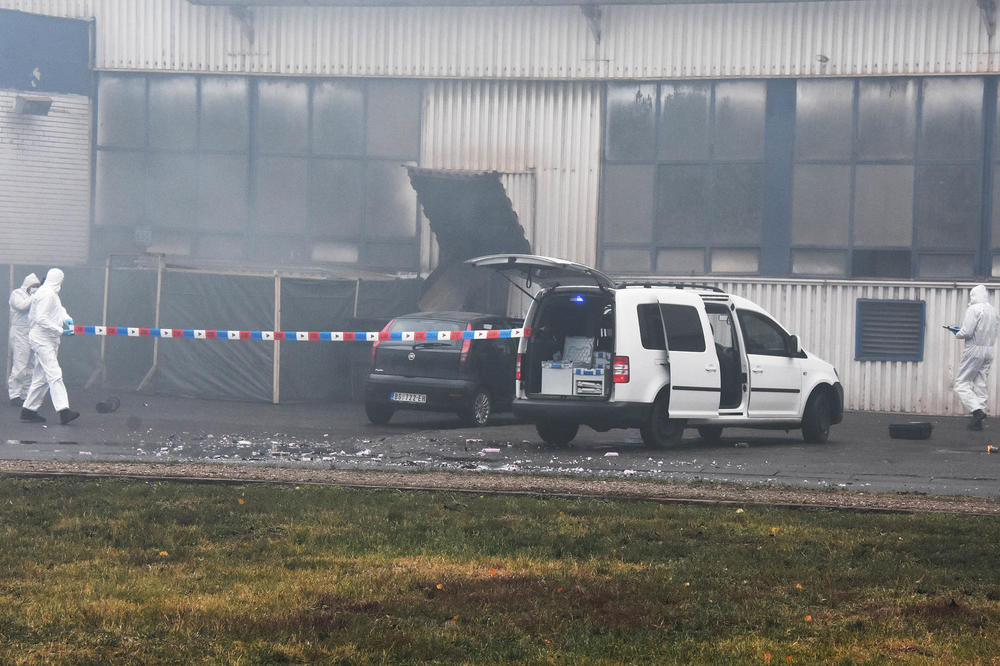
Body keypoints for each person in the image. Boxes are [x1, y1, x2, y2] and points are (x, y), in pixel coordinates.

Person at [20, 268, 79, 425]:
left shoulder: (49, 293)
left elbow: (59, 310)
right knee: (55, 374)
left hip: (47, 339)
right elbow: (41, 318)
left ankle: (28, 410)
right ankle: (63, 411)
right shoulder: (47, 294)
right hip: (42, 339)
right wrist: (60, 330)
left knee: (41, 378)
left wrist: (68, 319)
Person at [952, 284, 999, 431]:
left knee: (961, 383)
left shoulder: (973, 309)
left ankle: (977, 411)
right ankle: (978, 420)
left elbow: (966, 332)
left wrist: (956, 332)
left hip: (974, 349)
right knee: (980, 382)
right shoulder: (993, 311)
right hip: (989, 349)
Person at [7, 272, 40, 407]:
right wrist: (34, 296)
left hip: (31, 332)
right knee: (20, 364)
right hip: (19, 332)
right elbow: (21, 306)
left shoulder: (34, 297)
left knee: (31, 365)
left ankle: (26, 394)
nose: (35, 288)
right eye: (34, 286)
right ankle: (15, 394)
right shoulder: (17, 294)